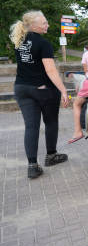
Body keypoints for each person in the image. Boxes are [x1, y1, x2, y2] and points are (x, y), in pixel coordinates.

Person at [10, 11, 70, 179]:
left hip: (21, 88)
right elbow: (50, 70)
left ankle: (32, 166)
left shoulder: (19, 41)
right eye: (44, 23)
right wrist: (63, 90)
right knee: (51, 121)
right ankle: (51, 155)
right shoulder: (43, 44)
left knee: (31, 126)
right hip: (42, 89)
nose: (47, 25)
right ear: (34, 26)